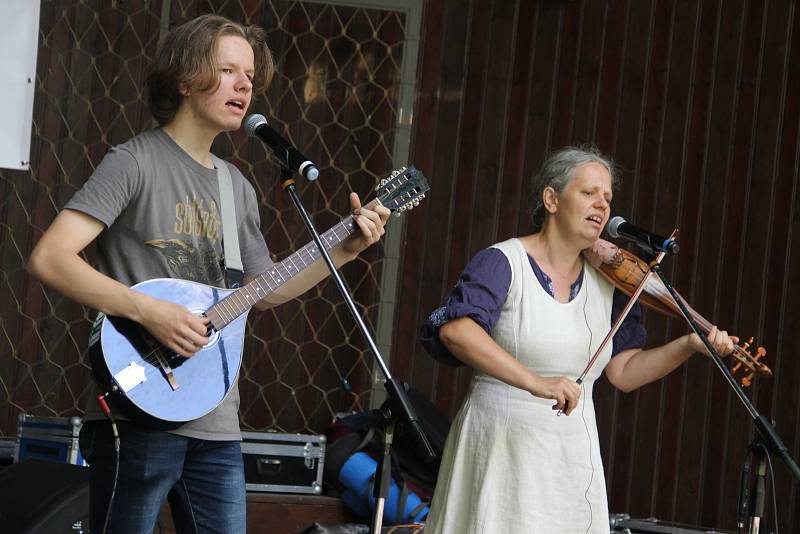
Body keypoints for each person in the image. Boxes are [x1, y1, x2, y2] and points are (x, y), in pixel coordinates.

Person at [26, 14, 390, 534]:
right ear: (185, 78)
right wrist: (147, 309)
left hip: (216, 420)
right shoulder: (133, 162)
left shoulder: (236, 185)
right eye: (226, 70)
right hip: (139, 411)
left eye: (249, 75)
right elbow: (50, 258)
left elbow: (263, 292)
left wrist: (349, 249)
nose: (244, 84)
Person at [418, 147, 736, 534]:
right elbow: (457, 330)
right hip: (501, 445)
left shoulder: (613, 282)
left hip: (570, 457)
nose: (601, 205)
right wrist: (537, 382)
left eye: (607, 198)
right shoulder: (503, 262)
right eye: (589, 193)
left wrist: (687, 346)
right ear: (551, 199)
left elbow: (624, 372)